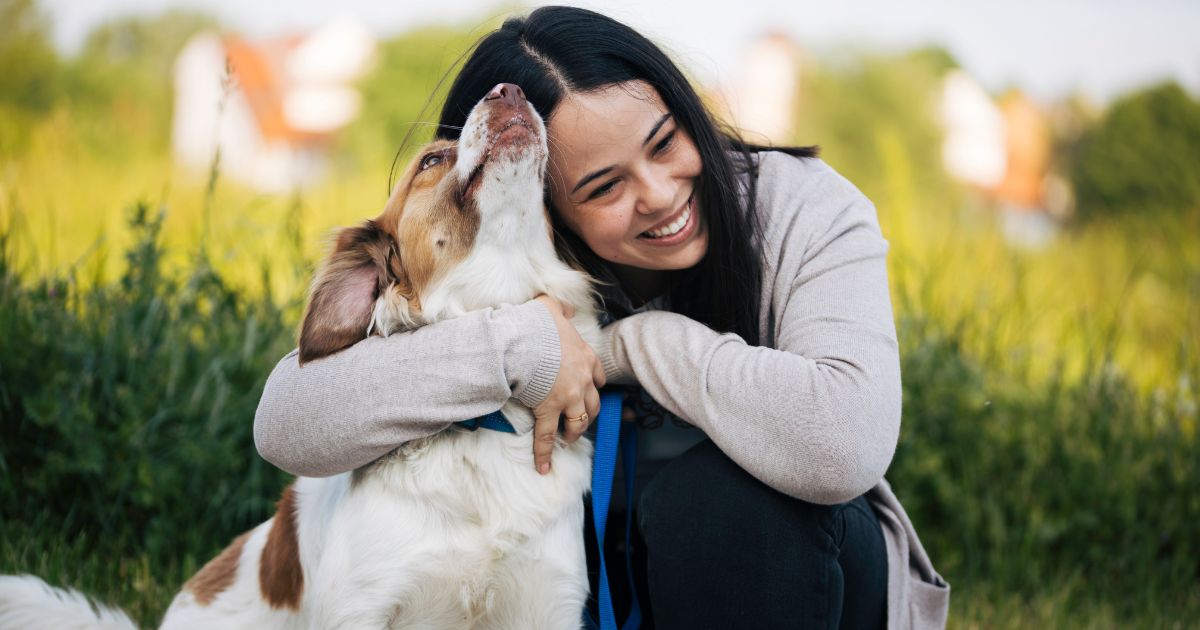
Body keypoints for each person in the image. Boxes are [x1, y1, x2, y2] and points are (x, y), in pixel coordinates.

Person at [254, 6, 948, 629]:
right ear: (541, 200)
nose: (658, 195)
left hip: (801, 579)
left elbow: (842, 442)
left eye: (666, 141)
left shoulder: (806, 210)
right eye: (605, 186)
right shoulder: (529, 265)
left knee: (718, 500)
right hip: (619, 590)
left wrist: (631, 346)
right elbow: (288, 420)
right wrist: (520, 345)